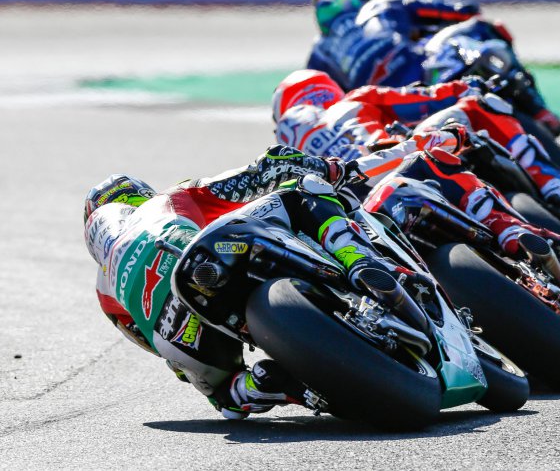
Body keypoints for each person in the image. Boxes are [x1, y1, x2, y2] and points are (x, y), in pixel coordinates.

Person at [83, 147, 439, 421]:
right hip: (209, 260)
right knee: (305, 189)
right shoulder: (168, 200)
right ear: (138, 196)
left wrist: (187, 362)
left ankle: (262, 385)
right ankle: (360, 262)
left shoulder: (105, 292)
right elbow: (263, 170)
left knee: (225, 400)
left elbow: (148, 342)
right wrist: (328, 168)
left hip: (175, 332)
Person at [306, 0, 560, 138]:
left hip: (389, 115)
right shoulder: (386, 4)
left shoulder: (319, 51)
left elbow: (325, 104)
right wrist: (423, 29)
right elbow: (466, 11)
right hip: (431, 77)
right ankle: (539, 111)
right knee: (487, 28)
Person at [273, 69, 560, 211]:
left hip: (359, 207)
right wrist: (466, 86)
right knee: (479, 105)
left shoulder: (288, 158)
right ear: (326, 90)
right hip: (400, 162)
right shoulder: (355, 100)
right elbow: (428, 98)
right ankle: (550, 180)